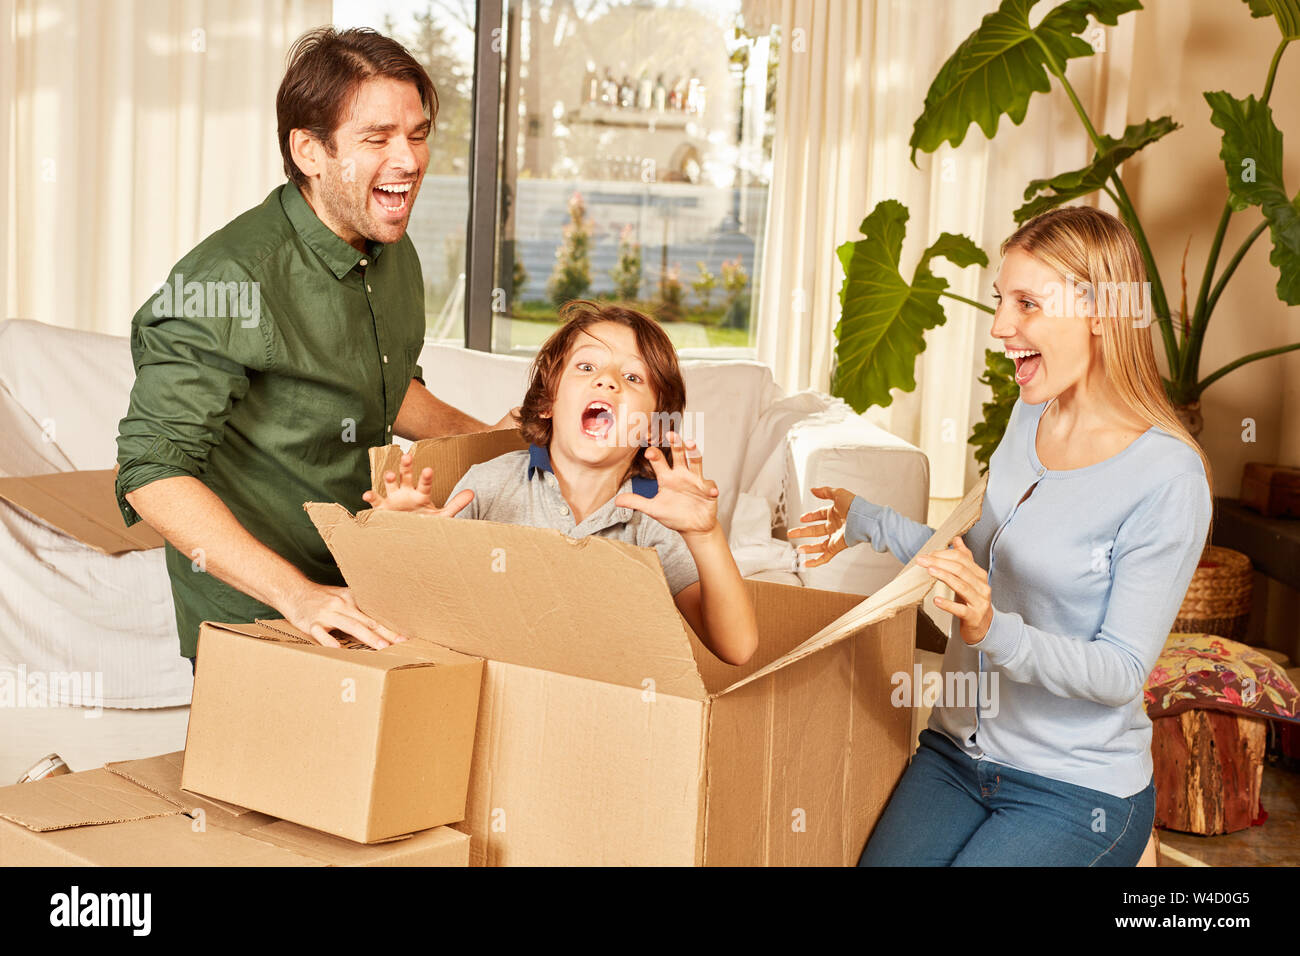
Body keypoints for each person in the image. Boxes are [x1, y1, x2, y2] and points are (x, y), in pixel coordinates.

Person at [790, 205, 1211, 866]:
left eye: (1027, 305)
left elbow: (1121, 671)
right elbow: (980, 565)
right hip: (958, 755)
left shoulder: (1167, 477)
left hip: (1075, 787)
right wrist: (869, 522)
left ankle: (1130, 846)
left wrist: (993, 632)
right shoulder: (1030, 410)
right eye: (999, 301)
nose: (1000, 328)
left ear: (1099, 312)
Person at [114, 28, 502, 671]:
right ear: (310, 152)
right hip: (262, 610)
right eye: (377, 138)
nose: (408, 160)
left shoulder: (392, 251)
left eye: (418, 132)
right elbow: (152, 471)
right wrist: (298, 596)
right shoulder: (228, 280)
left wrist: (498, 439)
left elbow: (381, 384)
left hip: (365, 582)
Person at [366, 299, 759, 666]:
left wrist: (705, 534)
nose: (608, 381)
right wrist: (409, 542)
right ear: (546, 403)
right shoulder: (488, 485)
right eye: (586, 367)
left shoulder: (657, 518)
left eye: (633, 376)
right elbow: (429, 612)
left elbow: (737, 648)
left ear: (652, 426)